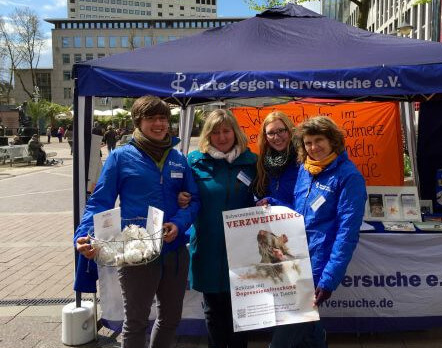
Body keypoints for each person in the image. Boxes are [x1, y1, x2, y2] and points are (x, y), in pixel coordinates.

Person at [74, 95, 200, 348]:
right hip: (136, 251)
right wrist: (85, 233)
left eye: (163, 118)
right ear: (138, 122)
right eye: (151, 118)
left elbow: (194, 199)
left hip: (174, 251)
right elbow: (100, 201)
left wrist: (178, 223)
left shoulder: (178, 158)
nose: (159, 124)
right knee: (135, 322)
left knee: (171, 318)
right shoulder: (121, 157)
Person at [268, 116, 367, 348]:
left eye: (319, 140)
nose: (313, 147)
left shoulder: (349, 177)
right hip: (295, 260)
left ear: (333, 141)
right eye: (308, 142)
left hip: (317, 267)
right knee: (309, 332)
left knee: (284, 337)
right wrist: (272, 203)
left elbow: (347, 234)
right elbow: (298, 213)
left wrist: (329, 278)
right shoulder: (305, 169)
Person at [187, 109, 257, 348]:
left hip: (243, 250)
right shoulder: (195, 161)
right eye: (215, 132)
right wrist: (181, 197)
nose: (222, 136)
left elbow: (262, 197)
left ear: (235, 132)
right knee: (213, 312)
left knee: (242, 312)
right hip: (209, 247)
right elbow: (183, 193)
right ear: (208, 134)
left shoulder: (251, 162)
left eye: (226, 130)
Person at [254, 111, 299, 206]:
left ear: (290, 130)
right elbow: (260, 194)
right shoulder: (262, 163)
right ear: (265, 137)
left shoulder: (302, 159)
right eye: (270, 133)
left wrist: (275, 203)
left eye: (281, 131)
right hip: (273, 219)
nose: (276, 137)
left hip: (298, 219)